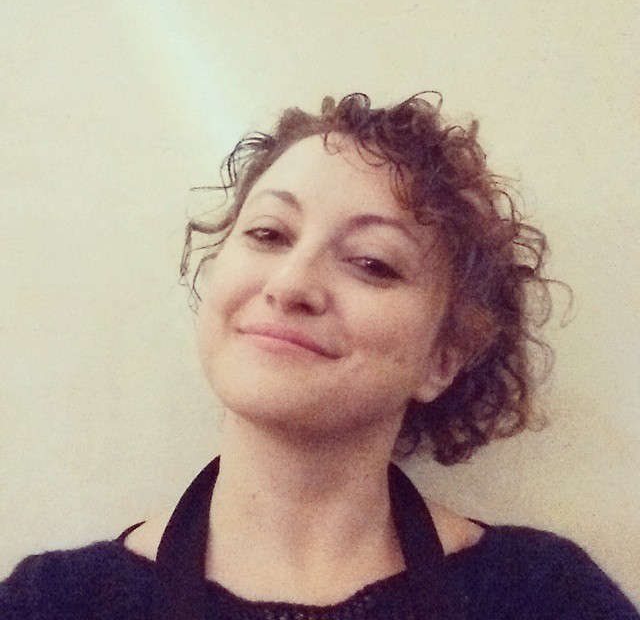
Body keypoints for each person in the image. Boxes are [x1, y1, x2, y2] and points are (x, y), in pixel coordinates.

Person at [1, 92, 638, 619]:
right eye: (268, 233)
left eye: (372, 263)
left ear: (442, 358)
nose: (290, 284)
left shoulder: (543, 596)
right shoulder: (52, 603)